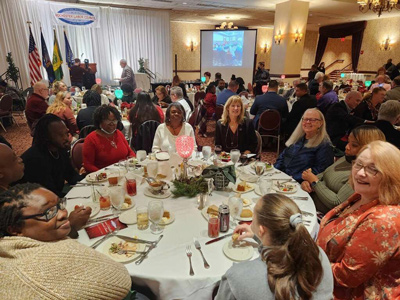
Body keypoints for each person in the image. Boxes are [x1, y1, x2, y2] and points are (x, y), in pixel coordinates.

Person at [0, 183, 133, 300]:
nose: (63, 214)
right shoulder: (54, 254)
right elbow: (122, 281)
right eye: (48, 212)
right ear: (16, 230)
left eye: (59, 205)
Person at [317, 141, 400, 299]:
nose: (360, 173)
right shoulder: (360, 197)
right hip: (324, 276)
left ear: (391, 175)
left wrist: (305, 262)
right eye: (358, 164)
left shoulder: (383, 221)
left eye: (373, 169)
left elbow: (347, 277)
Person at [215, 193, 333, 300]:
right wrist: (259, 238)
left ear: (262, 230)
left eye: (254, 215)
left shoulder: (238, 278)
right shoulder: (319, 256)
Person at [301, 126, 386, 214]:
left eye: (354, 145)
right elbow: (325, 173)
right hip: (309, 203)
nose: (347, 147)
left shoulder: (362, 174)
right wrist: (308, 182)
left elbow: (337, 203)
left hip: (322, 215)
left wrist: (315, 182)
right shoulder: (347, 158)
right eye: (348, 142)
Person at [20, 114, 83, 197]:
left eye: (66, 133)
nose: (66, 138)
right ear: (46, 137)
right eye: (61, 135)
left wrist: (87, 181)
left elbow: (71, 176)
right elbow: (49, 194)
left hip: (54, 195)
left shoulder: (60, 149)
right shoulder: (35, 160)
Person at [274, 108, 333, 182]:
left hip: (299, 183)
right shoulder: (297, 138)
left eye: (312, 120)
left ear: (320, 123)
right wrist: (276, 171)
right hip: (281, 178)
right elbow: (282, 157)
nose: (307, 122)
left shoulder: (324, 145)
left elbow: (320, 170)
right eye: (305, 119)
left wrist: (292, 178)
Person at [83, 105, 135, 173]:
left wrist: (132, 162)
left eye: (114, 120)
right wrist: (104, 174)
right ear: (99, 121)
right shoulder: (91, 139)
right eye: (108, 120)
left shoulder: (118, 133)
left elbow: (130, 152)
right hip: (104, 176)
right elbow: (88, 165)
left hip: (124, 171)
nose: (112, 124)